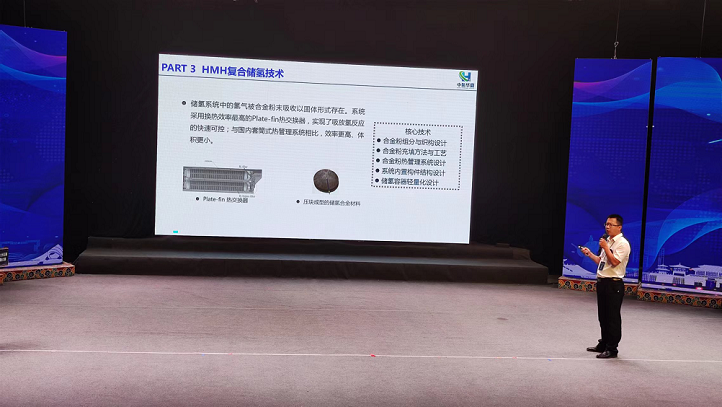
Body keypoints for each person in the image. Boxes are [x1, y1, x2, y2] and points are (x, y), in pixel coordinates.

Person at [580, 214, 630, 359]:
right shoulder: (607, 241)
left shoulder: (622, 243)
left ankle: (612, 349)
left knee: (612, 317)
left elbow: (614, 262)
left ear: (619, 227)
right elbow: (602, 261)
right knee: (603, 316)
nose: (607, 227)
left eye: (611, 225)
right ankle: (604, 343)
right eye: (606, 224)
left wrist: (606, 247)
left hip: (614, 284)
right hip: (602, 282)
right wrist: (589, 254)